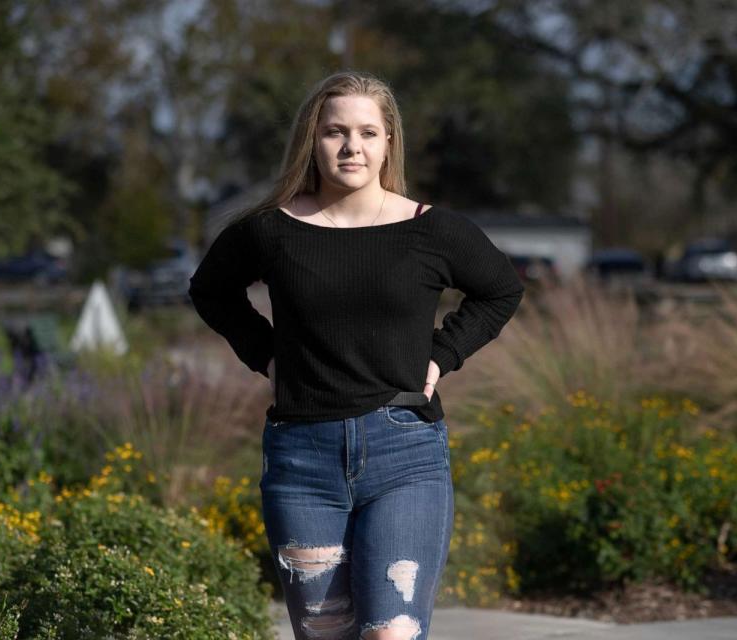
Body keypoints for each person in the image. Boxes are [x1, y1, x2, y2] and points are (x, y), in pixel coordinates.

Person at [187, 70, 525, 640]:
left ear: (389, 141)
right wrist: (267, 357)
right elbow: (210, 291)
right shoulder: (271, 232)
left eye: (368, 132)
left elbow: (501, 289)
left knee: (390, 633)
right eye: (335, 132)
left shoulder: (432, 231)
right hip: (302, 461)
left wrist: (443, 354)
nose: (352, 147)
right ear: (311, 141)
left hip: (406, 457)